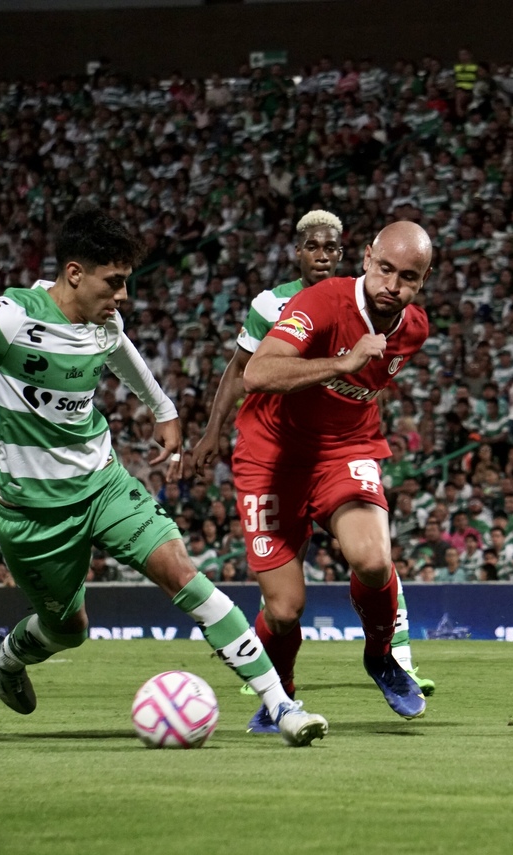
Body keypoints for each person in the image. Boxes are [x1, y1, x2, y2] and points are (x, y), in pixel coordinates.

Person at [0, 206, 327, 747]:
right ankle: (6, 656)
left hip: (104, 483)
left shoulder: (104, 322)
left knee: (182, 572)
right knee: (67, 630)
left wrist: (163, 410)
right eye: (114, 282)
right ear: (75, 273)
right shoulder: (11, 317)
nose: (124, 296)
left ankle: (281, 706)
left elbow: (120, 351)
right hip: (33, 513)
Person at [189, 210, 437, 702]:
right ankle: (279, 696)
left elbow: (361, 389)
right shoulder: (317, 302)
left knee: (373, 559)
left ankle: (383, 656)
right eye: (385, 269)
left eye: (408, 277)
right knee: (284, 609)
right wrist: (342, 363)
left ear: (423, 281)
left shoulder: (414, 329)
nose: (392, 285)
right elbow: (255, 373)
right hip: (271, 456)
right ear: (366, 259)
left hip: (344, 450)